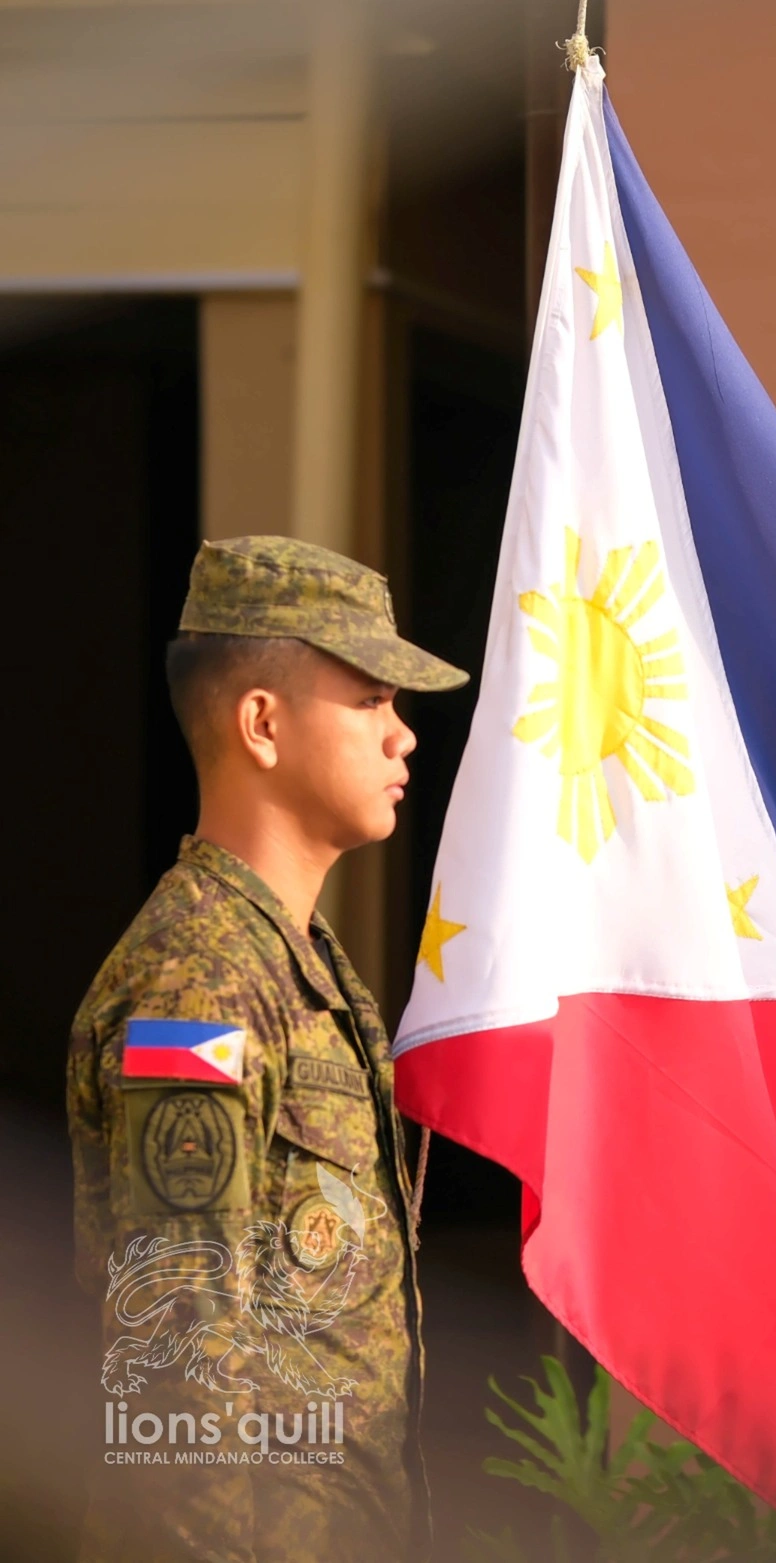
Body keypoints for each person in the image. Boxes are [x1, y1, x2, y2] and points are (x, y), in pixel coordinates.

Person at [68, 536, 467, 1562]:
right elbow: (172, 1372)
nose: (403, 738)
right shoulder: (196, 981)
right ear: (262, 724)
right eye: (373, 699)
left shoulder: (305, 967)